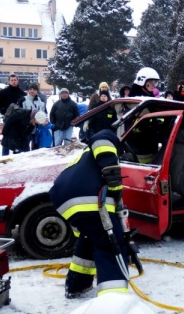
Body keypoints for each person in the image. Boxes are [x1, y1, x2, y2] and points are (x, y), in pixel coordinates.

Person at [49, 129, 129, 298]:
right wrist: (116, 191)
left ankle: (77, 285)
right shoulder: (106, 136)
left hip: (63, 198)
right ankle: (114, 300)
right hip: (89, 199)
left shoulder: (86, 156)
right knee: (111, 246)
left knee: (89, 239)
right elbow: (102, 140)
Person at [0, 73, 27, 156]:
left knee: (17, 138)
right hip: (7, 119)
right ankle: (4, 157)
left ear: (17, 81)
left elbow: (24, 107)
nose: (13, 82)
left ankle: (16, 157)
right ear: (9, 81)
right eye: (12, 80)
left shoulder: (22, 94)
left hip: (18, 120)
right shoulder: (3, 92)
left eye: (15, 80)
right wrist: (4, 112)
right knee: (6, 138)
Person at [19, 83, 47, 151]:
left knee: (36, 148)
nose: (32, 91)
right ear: (28, 90)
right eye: (30, 89)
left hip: (37, 128)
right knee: (25, 147)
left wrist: (44, 120)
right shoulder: (23, 99)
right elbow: (19, 113)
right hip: (26, 128)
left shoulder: (40, 101)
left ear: (37, 91)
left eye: (34, 89)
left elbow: (44, 112)